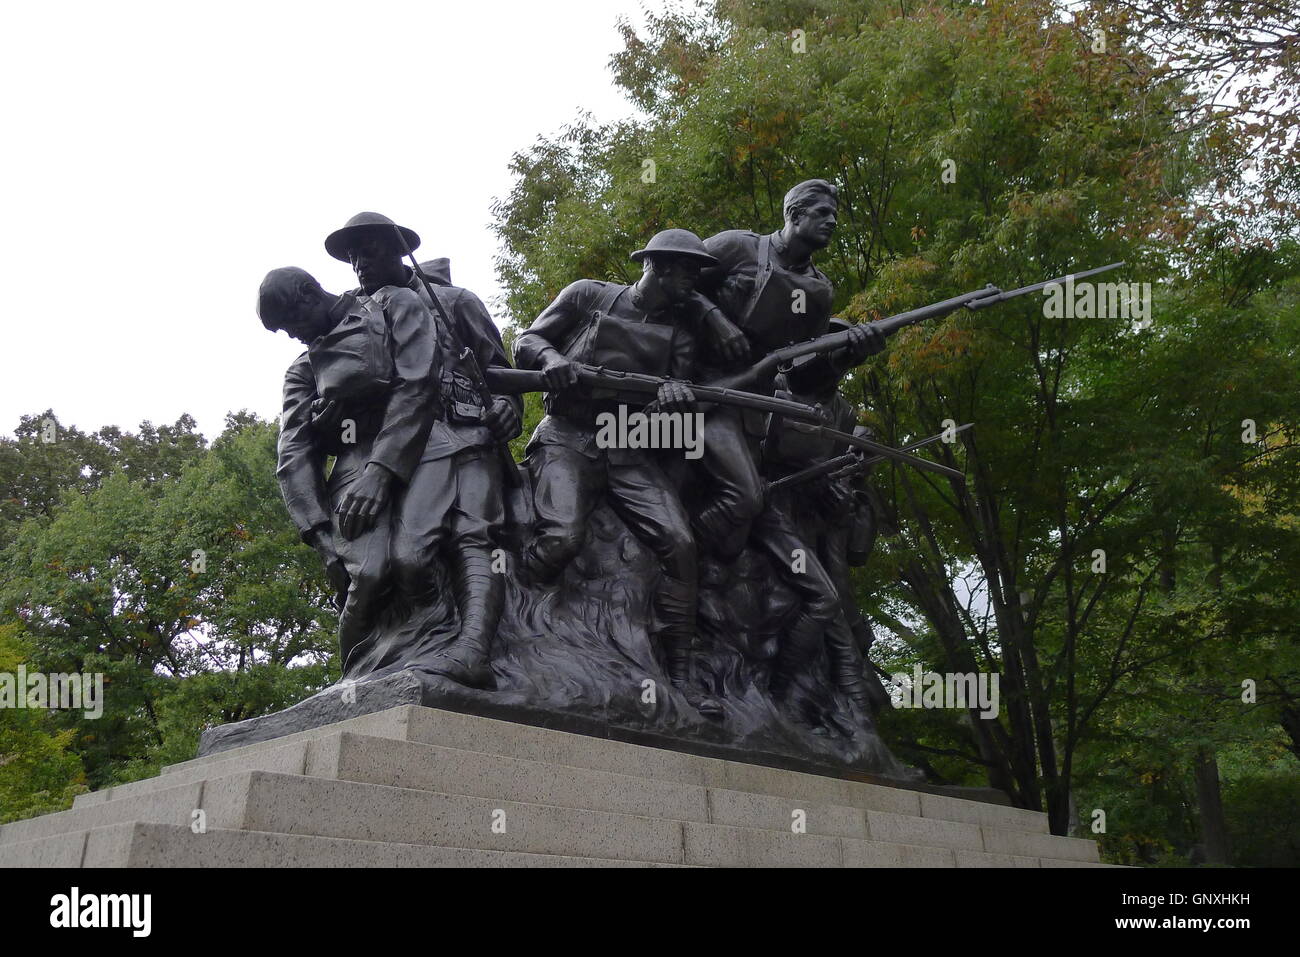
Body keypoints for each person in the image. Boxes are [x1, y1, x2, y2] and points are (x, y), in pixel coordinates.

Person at [512, 229, 716, 710]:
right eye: (688, 272)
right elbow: (528, 341)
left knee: (682, 545)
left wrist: (670, 404)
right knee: (561, 536)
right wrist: (553, 360)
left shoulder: (682, 336)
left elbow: (677, 409)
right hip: (566, 435)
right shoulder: (587, 295)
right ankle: (518, 620)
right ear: (659, 267)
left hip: (628, 444)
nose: (693, 283)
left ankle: (682, 675)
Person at [319, 212, 522, 686]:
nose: (359, 265)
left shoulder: (455, 302)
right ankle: (411, 649)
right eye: (352, 257)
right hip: (401, 451)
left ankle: (474, 650)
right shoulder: (355, 317)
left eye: (368, 252)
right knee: (407, 558)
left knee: (475, 536)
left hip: (468, 433)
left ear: (395, 249)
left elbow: (501, 374)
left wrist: (509, 409)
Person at [258, 266, 438, 672]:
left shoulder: (391, 306)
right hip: (353, 467)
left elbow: (417, 384)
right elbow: (294, 449)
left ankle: (437, 653)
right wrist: (321, 538)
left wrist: (381, 472)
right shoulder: (302, 370)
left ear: (309, 292)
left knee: (416, 559)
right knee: (368, 576)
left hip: (426, 447)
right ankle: (354, 681)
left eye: (293, 322)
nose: (293, 336)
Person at [693, 179, 885, 555]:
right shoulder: (736, 246)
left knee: (749, 506)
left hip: (749, 406)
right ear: (795, 215)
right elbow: (672, 285)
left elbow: (798, 374)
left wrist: (847, 358)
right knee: (743, 497)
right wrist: (715, 319)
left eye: (835, 215)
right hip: (689, 381)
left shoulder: (819, 291)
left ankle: (695, 559)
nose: (832, 222)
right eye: (823, 213)